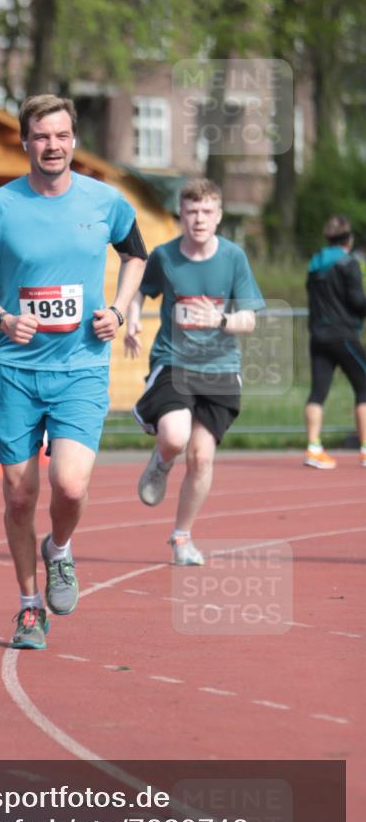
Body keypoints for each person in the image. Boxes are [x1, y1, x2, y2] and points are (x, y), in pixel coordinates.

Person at [0, 94, 147, 650]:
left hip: (82, 367)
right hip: (16, 369)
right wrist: (0, 316)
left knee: (69, 484)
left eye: (62, 135)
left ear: (74, 141)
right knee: (19, 497)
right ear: (25, 142)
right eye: (42, 136)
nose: (53, 145)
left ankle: (60, 549)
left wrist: (117, 310)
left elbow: (136, 254)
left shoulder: (105, 199)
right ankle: (27, 606)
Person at [125, 178, 265, 565]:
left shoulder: (234, 258)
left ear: (218, 216)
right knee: (174, 435)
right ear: (181, 216)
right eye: (191, 212)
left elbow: (250, 320)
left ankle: (182, 538)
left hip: (220, 367)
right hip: (174, 361)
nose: (199, 219)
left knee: (202, 458)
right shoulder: (165, 256)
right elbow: (141, 288)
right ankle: (161, 461)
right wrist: (133, 318)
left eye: (206, 212)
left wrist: (219, 319)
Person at [304, 215, 366, 469]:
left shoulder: (315, 263)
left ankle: (313, 448)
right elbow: (358, 302)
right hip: (344, 335)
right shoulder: (348, 263)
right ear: (348, 240)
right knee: (364, 387)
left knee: (318, 392)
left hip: (318, 335)